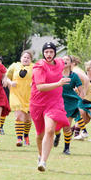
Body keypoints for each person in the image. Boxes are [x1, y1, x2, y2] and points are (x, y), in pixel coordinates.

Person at [30, 42, 70, 171]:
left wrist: (79, 85)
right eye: (46, 52)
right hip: (38, 103)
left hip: (54, 102)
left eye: (51, 52)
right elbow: (40, 87)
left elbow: (71, 65)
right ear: (43, 53)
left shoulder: (59, 62)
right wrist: (59, 83)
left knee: (50, 130)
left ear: (55, 53)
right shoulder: (39, 67)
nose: (49, 54)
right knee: (40, 134)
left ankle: (43, 162)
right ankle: (40, 154)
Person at [55, 55, 84, 155]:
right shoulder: (56, 74)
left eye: (67, 59)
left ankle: (66, 148)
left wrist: (81, 102)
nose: (65, 61)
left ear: (71, 63)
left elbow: (81, 91)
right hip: (57, 101)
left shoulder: (74, 76)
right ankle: (57, 135)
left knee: (67, 126)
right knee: (55, 126)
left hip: (71, 103)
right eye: (63, 59)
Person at [6, 50, 34, 146]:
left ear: (31, 60)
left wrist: (33, 83)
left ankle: (26, 135)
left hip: (29, 95)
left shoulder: (34, 67)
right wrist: (10, 83)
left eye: (28, 58)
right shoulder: (14, 66)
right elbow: (6, 77)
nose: (26, 59)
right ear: (21, 58)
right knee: (18, 116)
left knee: (28, 120)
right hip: (16, 94)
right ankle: (19, 138)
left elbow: (39, 78)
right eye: (24, 57)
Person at [70, 56, 91, 141]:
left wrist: (83, 93)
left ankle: (83, 132)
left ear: (73, 63)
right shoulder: (75, 69)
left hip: (87, 95)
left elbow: (86, 80)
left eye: (67, 61)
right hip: (90, 94)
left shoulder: (75, 70)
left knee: (77, 112)